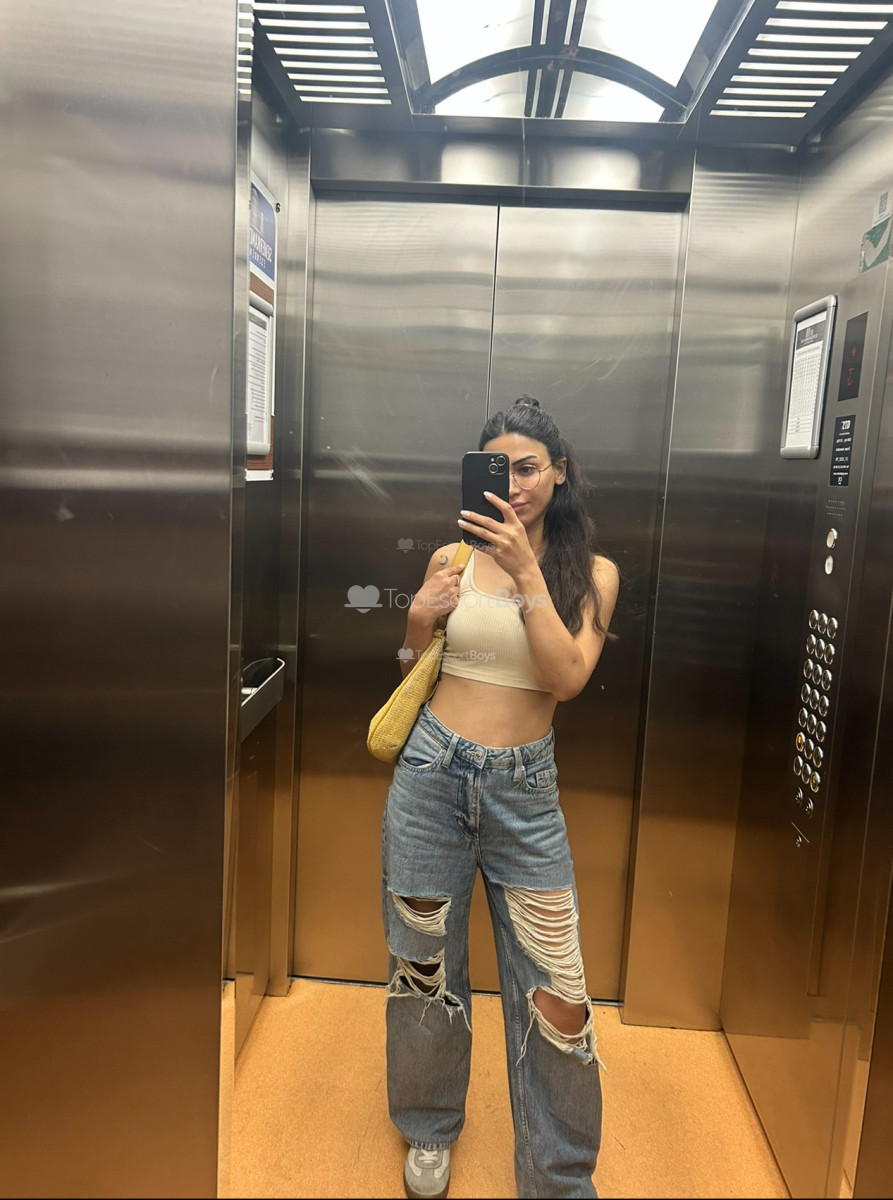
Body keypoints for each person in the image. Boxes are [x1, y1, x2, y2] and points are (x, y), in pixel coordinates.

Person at [381, 396, 620, 1200]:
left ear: (559, 473)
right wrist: (415, 621)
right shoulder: (450, 557)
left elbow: (567, 677)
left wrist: (525, 573)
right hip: (429, 779)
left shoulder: (592, 574)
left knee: (557, 991)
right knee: (423, 967)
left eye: (527, 467)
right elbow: (413, 666)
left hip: (526, 794)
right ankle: (427, 1127)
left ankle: (557, 1177)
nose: (513, 483)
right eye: (497, 467)